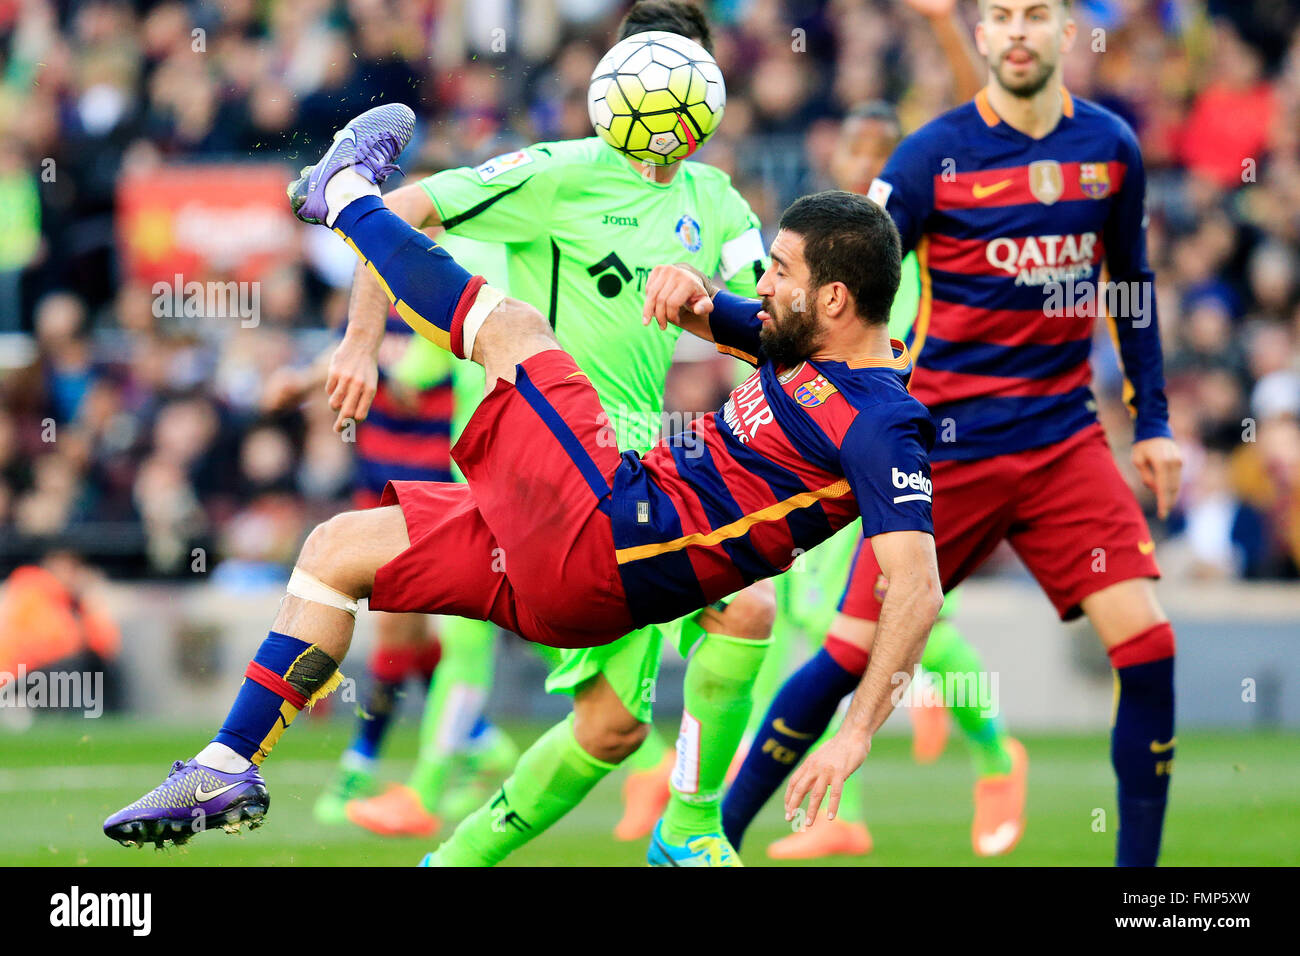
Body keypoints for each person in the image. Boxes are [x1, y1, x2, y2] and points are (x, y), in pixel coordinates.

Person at [102, 103, 942, 865]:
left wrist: (853, 735)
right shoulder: (790, 341)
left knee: (515, 329)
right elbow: (700, 312)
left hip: (615, 530)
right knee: (336, 551)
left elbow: (918, 586)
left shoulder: (879, 419)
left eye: (781, 270)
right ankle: (225, 765)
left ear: (832, 297)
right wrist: (685, 290)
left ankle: (346, 192)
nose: (763, 282)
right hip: (580, 568)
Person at [332, 1, 781, 862]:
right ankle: (687, 826)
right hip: (556, 467)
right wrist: (357, 343)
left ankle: (450, 854)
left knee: (611, 727)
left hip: (645, 464)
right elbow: (400, 213)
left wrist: (707, 301)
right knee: (744, 603)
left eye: (683, 70)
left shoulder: (717, 200)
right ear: (617, 81)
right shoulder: (557, 173)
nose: (667, 94)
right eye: (649, 68)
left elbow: (768, 326)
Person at [742, 0, 1182, 867]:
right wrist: (728, 317)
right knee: (844, 655)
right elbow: (842, 285)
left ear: (1065, 33)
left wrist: (1155, 423)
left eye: (1036, 15)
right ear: (982, 38)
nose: (1019, 31)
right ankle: (705, 838)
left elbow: (1131, 285)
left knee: (1152, 649)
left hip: (1062, 441)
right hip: (945, 443)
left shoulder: (1111, 150)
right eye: (1002, 17)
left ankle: (1144, 892)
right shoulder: (930, 157)